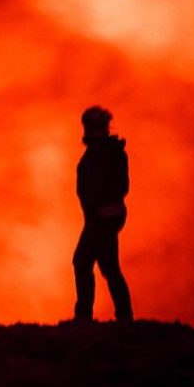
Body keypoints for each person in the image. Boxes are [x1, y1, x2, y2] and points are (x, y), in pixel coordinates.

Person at [72, 105, 133, 323]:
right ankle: (123, 317)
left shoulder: (102, 153)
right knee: (107, 266)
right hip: (104, 216)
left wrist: (97, 206)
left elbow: (117, 186)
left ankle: (85, 316)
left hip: (102, 217)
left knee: (83, 262)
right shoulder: (108, 151)